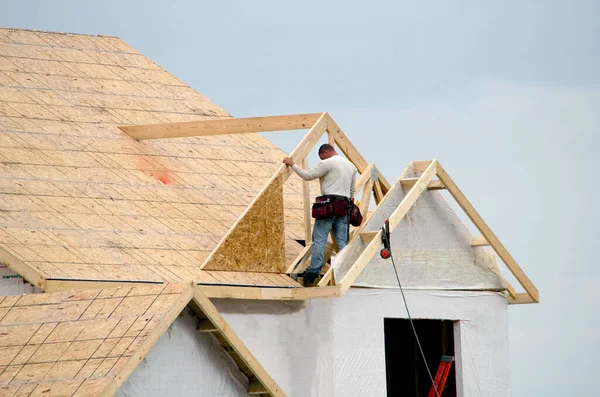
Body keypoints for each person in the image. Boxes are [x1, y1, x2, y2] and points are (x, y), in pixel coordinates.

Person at [283, 144, 357, 287]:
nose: (321, 159)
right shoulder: (351, 166)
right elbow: (352, 190)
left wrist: (292, 164)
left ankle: (312, 271)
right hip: (344, 205)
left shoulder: (327, 163)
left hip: (328, 205)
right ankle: (345, 271)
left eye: (321, 156)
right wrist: (346, 203)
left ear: (325, 152)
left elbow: (309, 176)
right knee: (342, 242)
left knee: (319, 240)